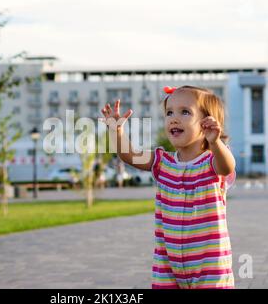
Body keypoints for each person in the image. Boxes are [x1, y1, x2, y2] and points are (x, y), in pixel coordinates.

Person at [100, 85, 236, 289]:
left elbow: (227, 166)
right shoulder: (162, 162)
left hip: (209, 264)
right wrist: (116, 131)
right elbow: (128, 155)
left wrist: (215, 143)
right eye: (169, 112)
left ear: (206, 123)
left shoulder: (211, 163)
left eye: (185, 112)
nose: (174, 118)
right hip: (167, 263)